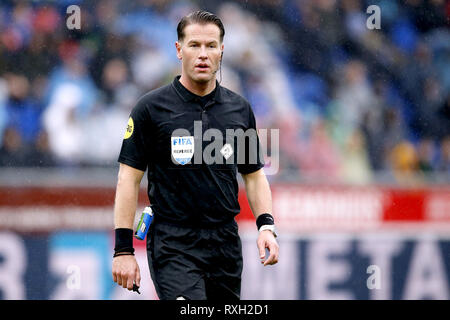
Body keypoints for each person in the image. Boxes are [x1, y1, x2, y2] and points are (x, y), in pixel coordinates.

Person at [111, 10, 279, 300]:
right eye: (194, 45)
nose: (203, 54)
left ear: (222, 51)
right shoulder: (150, 109)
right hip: (173, 242)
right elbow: (128, 179)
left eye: (211, 46)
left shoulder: (239, 110)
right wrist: (123, 249)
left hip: (224, 243)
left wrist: (266, 225)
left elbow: (253, 175)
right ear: (179, 50)